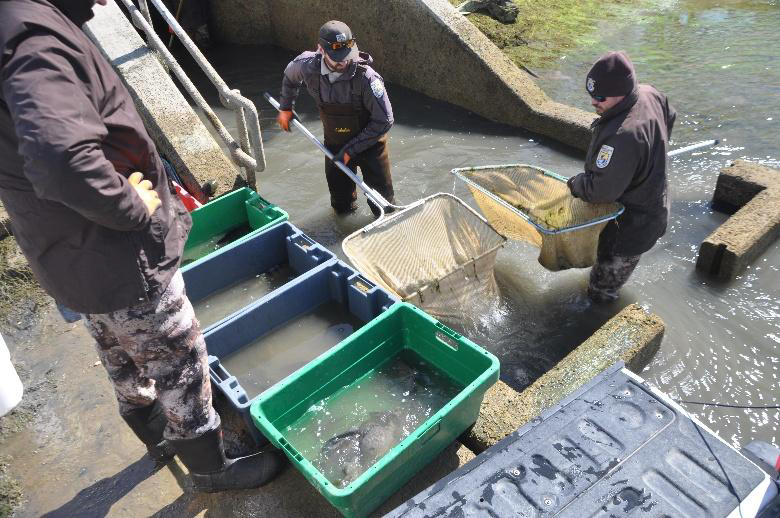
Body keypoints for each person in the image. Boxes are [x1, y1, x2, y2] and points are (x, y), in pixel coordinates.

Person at [0, 0, 283, 491]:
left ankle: (153, 428)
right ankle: (211, 467)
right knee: (178, 357)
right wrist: (131, 205)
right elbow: (59, 160)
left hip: (70, 253)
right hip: (119, 254)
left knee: (116, 347)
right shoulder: (33, 35)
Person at [567, 51, 677, 303]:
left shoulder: (622, 136)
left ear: (622, 93)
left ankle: (599, 315)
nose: (593, 102)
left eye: (600, 97)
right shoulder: (649, 93)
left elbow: (600, 191)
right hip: (654, 203)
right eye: (591, 94)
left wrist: (575, 183)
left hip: (632, 227)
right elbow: (671, 116)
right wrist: (652, 154)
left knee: (600, 291)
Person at [277, 20, 396, 217]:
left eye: (347, 55)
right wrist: (286, 107)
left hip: (371, 146)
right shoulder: (306, 66)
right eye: (336, 57)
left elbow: (385, 120)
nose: (343, 62)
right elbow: (290, 78)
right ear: (320, 50)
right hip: (334, 145)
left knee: (384, 207)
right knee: (341, 206)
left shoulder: (368, 79)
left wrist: (350, 151)